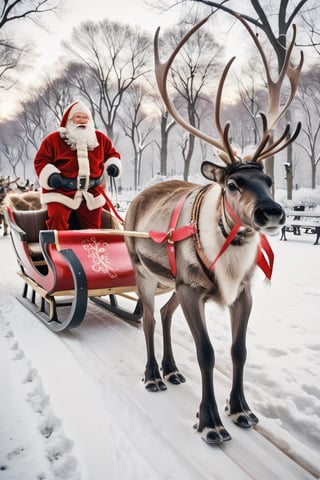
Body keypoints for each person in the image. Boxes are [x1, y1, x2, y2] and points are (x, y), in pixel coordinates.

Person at [34, 100, 122, 230]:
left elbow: (112, 154)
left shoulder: (99, 138)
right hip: (61, 192)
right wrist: (51, 176)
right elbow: (41, 160)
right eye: (78, 117)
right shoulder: (54, 139)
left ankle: (90, 249)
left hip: (91, 193)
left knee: (94, 227)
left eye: (85, 117)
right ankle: (57, 248)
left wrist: (113, 165)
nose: (82, 120)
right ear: (69, 120)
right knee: (57, 218)